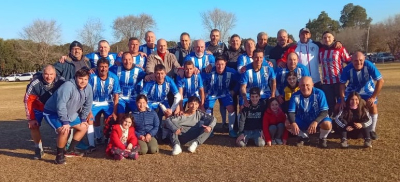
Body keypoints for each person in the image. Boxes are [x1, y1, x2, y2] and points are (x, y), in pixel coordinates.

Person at [43, 68, 93, 164]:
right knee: (64, 130)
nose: (83, 81)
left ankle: (70, 150)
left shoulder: (88, 88)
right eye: (80, 78)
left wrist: (83, 119)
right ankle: (59, 155)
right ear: (75, 78)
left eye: (85, 79)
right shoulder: (68, 86)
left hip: (71, 114)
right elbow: (60, 105)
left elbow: (88, 104)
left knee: (84, 127)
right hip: (52, 112)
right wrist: (65, 122)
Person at [339, 51, 384, 140]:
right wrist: (343, 99)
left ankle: (371, 130)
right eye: (355, 60)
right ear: (351, 60)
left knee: (373, 106)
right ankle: (341, 129)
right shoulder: (347, 69)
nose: (358, 63)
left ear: (364, 59)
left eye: (361, 60)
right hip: (352, 90)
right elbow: (341, 84)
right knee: (338, 106)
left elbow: (381, 81)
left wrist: (373, 97)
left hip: (367, 90)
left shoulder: (369, 65)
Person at [24, 65, 65, 159]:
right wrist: (31, 118)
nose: (49, 77)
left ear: (55, 74)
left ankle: (63, 147)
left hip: (54, 109)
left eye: (51, 74)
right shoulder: (35, 83)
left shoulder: (62, 81)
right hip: (38, 108)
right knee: (33, 126)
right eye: (46, 74)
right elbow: (28, 101)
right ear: (42, 74)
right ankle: (38, 149)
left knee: (64, 127)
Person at [288, 77, 332, 148]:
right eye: (302, 85)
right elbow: (291, 112)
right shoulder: (295, 96)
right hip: (303, 119)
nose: (305, 87)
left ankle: (322, 138)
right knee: (287, 123)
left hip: (316, 119)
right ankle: (303, 136)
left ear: (312, 85)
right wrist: (293, 123)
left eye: (307, 85)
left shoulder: (319, 93)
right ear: (299, 86)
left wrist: (316, 121)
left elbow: (324, 111)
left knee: (327, 124)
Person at [87, 57, 121, 149]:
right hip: (94, 102)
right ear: (97, 67)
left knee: (111, 120)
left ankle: (108, 138)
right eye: (101, 67)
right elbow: (87, 94)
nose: (103, 69)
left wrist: (114, 111)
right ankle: (93, 143)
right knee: (90, 119)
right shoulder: (91, 77)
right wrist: (89, 111)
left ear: (108, 67)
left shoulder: (114, 77)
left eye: (105, 66)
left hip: (108, 102)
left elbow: (116, 95)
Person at [203, 56, 239, 137]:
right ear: (215, 64)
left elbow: (239, 81)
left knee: (231, 108)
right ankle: (210, 129)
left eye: (222, 64)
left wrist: (234, 90)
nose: (220, 66)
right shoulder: (209, 71)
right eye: (218, 64)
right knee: (208, 108)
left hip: (225, 93)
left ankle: (231, 129)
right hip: (212, 93)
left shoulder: (231, 71)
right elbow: (203, 81)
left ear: (225, 63)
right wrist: (205, 92)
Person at [319, 31, 351, 116]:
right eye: (324, 38)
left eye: (329, 37)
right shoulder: (320, 50)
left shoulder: (340, 48)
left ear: (333, 38)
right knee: (330, 105)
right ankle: (332, 125)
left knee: (342, 103)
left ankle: (343, 122)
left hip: (339, 82)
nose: (327, 39)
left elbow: (349, 62)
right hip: (326, 83)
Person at [110, 52, 146, 122]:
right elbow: (104, 70)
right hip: (120, 98)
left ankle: (136, 132)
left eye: (129, 59)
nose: (127, 62)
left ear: (132, 60)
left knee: (137, 117)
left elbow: (148, 76)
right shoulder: (115, 69)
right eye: (125, 60)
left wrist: (150, 75)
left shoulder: (139, 70)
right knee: (121, 117)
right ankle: (121, 132)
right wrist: (94, 69)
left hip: (134, 98)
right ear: (122, 60)